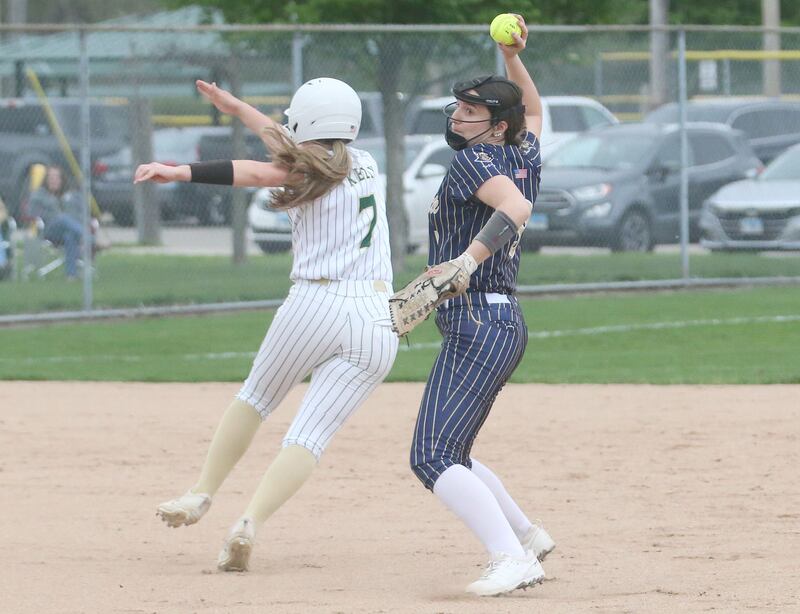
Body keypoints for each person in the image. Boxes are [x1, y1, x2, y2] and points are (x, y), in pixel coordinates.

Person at [134, 77, 398, 572]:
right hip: (378, 317)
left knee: (255, 400)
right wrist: (236, 107)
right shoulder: (365, 163)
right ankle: (250, 522)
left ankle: (200, 494)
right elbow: (287, 143)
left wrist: (181, 172)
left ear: (305, 122)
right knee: (310, 436)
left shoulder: (299, 172)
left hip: (314, 304)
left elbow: (256, 172)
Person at [403, 14, 556, 596]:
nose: (457, 117)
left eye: (471, 111)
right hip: (499, 320)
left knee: (431, 456)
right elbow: (535, 112)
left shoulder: (474, 161)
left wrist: (466, 260)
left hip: (479, 320)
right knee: (455, 450)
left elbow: (516, 210)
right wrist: (513, 55)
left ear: (496, 126)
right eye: (458, 108)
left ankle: (511, 557)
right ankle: (526, 535)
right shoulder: (521, 151)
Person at [26, 165, 90, 279]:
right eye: (50, 177)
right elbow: (31, 213)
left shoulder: (69, 196)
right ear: (46, 179)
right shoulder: (39, 195)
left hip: (68, 231)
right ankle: (89, 238)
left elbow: (81, 213)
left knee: (69, 236)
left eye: (56, 177)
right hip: (49, 230)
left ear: (62, 179)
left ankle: (71, 275)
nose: (53, 180)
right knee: (61, 218)